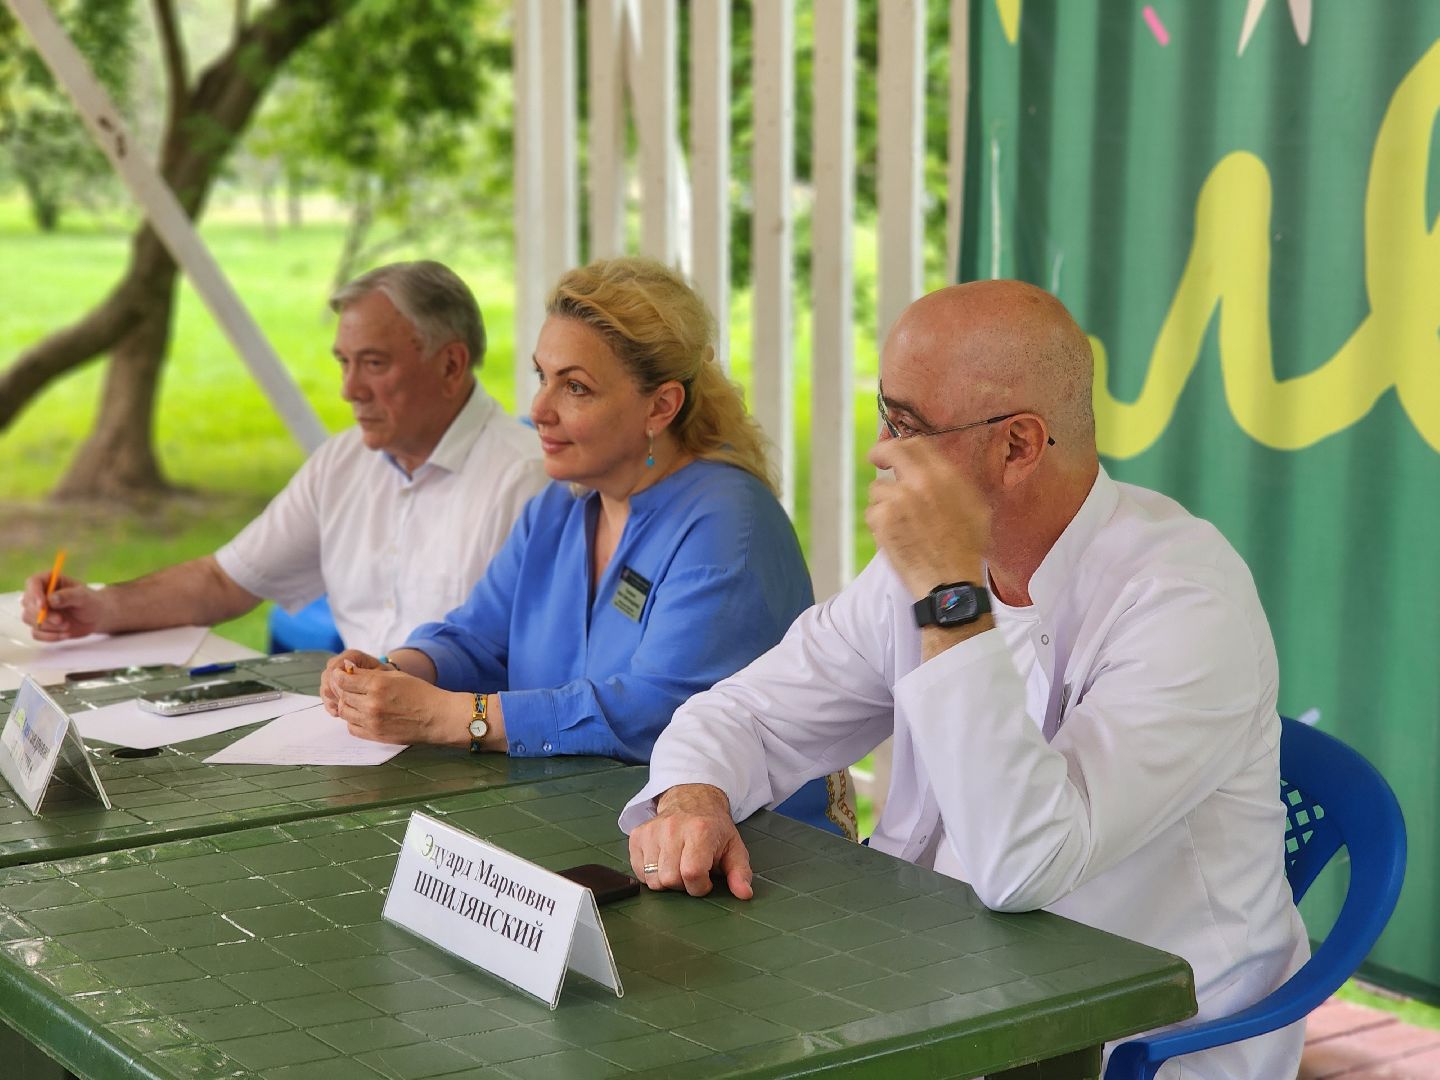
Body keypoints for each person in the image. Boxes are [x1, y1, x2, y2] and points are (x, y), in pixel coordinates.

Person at [621, 279, 1309, 1077]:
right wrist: (693, 796)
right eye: (885, 412)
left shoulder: (1186, 601)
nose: (880, 450)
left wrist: (950, 591)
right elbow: (749, 713)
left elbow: (1025, 866)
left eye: (906, 424)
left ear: (1018, 445)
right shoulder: (922, 572)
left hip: (1138, 1038)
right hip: (938, 981)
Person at [320, 257, 854, 836]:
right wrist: (392, 671)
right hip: (583, 827)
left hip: (753, 858)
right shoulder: (564, 502)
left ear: (661, 407)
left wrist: (456, 717)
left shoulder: (728, 519)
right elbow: (477, 637)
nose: (539, 411)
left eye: (576, 387)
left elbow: (659, 713)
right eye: (541, 377)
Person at [21, 261, 546, 655]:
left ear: (451, 365)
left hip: (472, 749)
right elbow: (226, 581)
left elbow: (536, 667)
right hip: (365, 735)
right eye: (343, 363)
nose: (349, 390)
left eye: (373, 364)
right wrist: (96, 607)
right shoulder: (344, 464)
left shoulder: (527, 481)